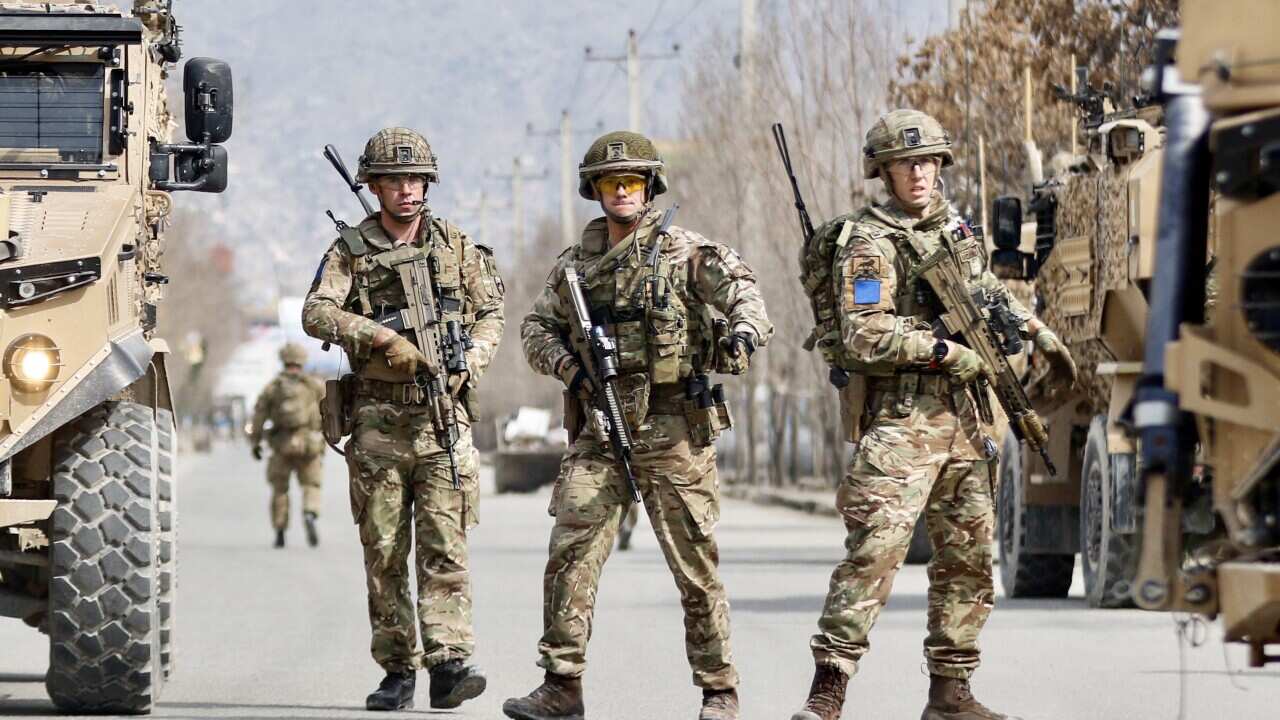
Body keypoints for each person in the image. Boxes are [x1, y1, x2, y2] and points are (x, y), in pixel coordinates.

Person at [789, 109, 1077, 720]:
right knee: (875, 551)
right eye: (904, 164)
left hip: (968, 425)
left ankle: (950, 693)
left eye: (927, 162)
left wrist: (1035, 328)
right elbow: (865, 334)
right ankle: (828, 690)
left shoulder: (956, 230)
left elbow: (982, 291)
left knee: (969, 561)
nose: (918, 174)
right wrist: (946, 351)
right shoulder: (867, 243)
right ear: (883, 171)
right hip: (902, 422)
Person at [504, 131, 772, 720]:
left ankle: (718, 689)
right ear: (595, 191)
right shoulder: (575, 267)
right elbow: (534, 329)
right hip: (601, 429)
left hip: (674, 428)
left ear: (649, 187)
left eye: (632, 181)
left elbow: (747, 297)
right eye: (610, 182)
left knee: (694, 564)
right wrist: (572, 371)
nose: (622, 191)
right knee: (571, 551)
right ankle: (561, 684)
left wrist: (741, 334)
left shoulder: (686, 252)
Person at [302, 127, 504, 712]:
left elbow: (490, 311)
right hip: (377, 421)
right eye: (394, 181)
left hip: (442, 416)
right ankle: (398, 670)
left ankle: (449, 662)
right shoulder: (350, 250)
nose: (407, 191)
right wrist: (380, 335)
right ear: (375, 186)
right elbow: (316, 312)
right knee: (385, 550)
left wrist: (473, 360)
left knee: (446, 545)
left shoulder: (456, 248)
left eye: (415, 179)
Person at [249, 342, 326, 548]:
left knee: (280, 490)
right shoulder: (314, 385)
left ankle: (280, 530)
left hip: (281, 445)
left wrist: (255, 443)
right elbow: (327, 412)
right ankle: (310, 513)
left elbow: (258, 417)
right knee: (311, 485)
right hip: (309, 444)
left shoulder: (273, 387)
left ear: (283, 360)